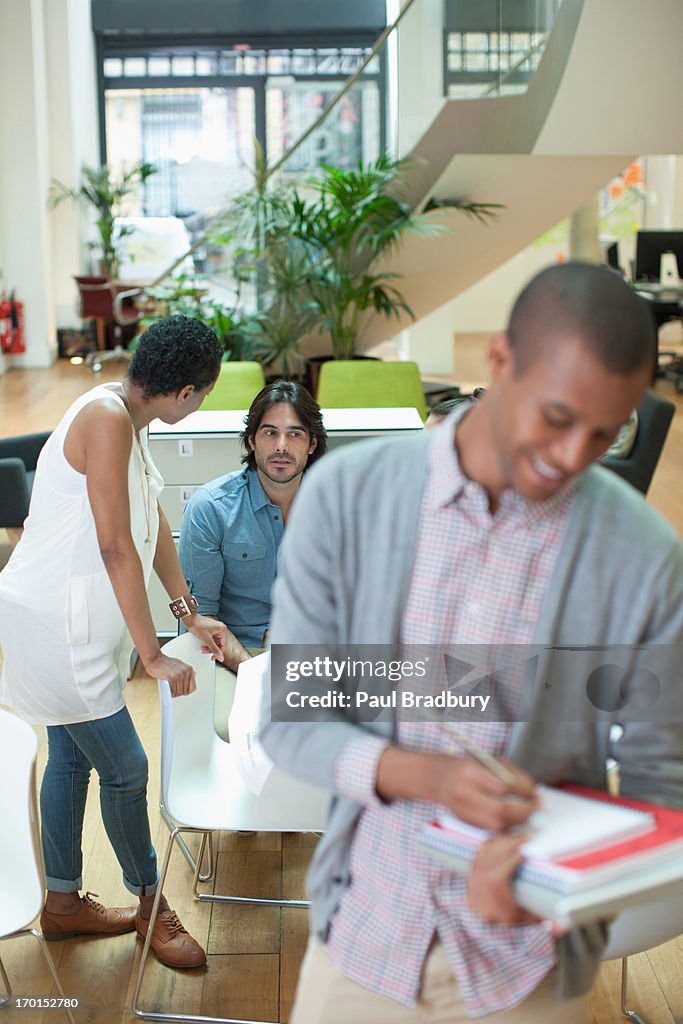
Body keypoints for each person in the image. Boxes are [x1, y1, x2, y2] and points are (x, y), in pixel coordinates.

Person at [259, 262, 683, 1024]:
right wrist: (424, 775)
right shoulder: (346, 499)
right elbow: (295, 722)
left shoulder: (644, 559)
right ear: (498, 362)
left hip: (527, 971)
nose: (572, 456)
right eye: (556, 417)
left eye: (605, 432)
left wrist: (549, 888)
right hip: (365, 937)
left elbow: (662, 787)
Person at [0, 315, 229, 970]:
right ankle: (151, 904)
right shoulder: (104, 419)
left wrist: (188, 615)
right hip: (56, 628)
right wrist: (152, 652)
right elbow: (114, 543)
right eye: (205, 394)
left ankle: (63, 904)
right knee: (126, 769)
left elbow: (149, 514)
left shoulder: (127, 415)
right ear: (187, 391)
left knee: (72, 761)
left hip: (73, 623)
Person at [178, 379, 327, 674]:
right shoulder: (210, 508)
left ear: (311, 444)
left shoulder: (338, 507)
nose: (281, 446)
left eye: (294, 434)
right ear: (251, 441)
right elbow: (202, 617)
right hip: (234, 651)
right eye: (270, 433)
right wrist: (253, 671)